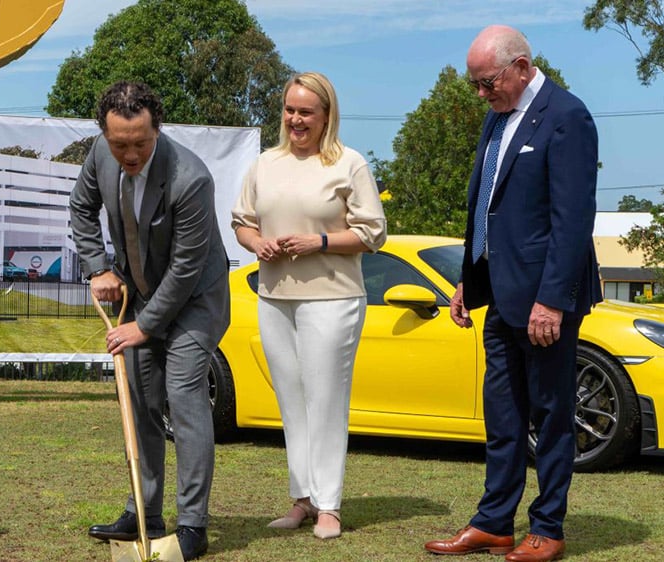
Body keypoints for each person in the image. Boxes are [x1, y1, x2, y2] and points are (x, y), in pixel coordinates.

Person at [424, 25, 600, 562]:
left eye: (487, 82)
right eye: (475, 84)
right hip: (499, 299)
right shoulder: (497, 118)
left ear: (522, 66)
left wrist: (552, 299)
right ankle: (494, 523)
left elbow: (571, 221)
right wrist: (468, 278)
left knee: (549, 416)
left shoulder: (567, 116)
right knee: (501, 417)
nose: (482, 94)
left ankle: (547, 527)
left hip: (544, 303)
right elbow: (488, 210)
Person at [70, 81, 231, 561]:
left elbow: (185, 269)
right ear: (105, 134)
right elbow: (82, 208)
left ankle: (192, 525)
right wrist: (99, 266)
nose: (130, 153)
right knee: (139, 399)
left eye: (140, 142)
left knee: (183, 397)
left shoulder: (190, 179)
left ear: (157, 130)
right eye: (120, 143)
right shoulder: (101, 153)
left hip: (196, 298)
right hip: (140, 288)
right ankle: (144, 511)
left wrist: (143, 326)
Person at [231, 72, 387, 540]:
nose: (295, 119)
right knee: (291, 402)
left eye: (306, 112)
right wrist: (257, 243)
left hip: (333, 299)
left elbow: (373, 233)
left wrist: (318, 241)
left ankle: (329, 506)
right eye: (290, 109)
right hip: (275, 298)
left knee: (325, 402)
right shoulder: (265, 163)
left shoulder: (349, 164)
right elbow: (242, 221)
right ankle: (301, 499)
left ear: (326, 116)